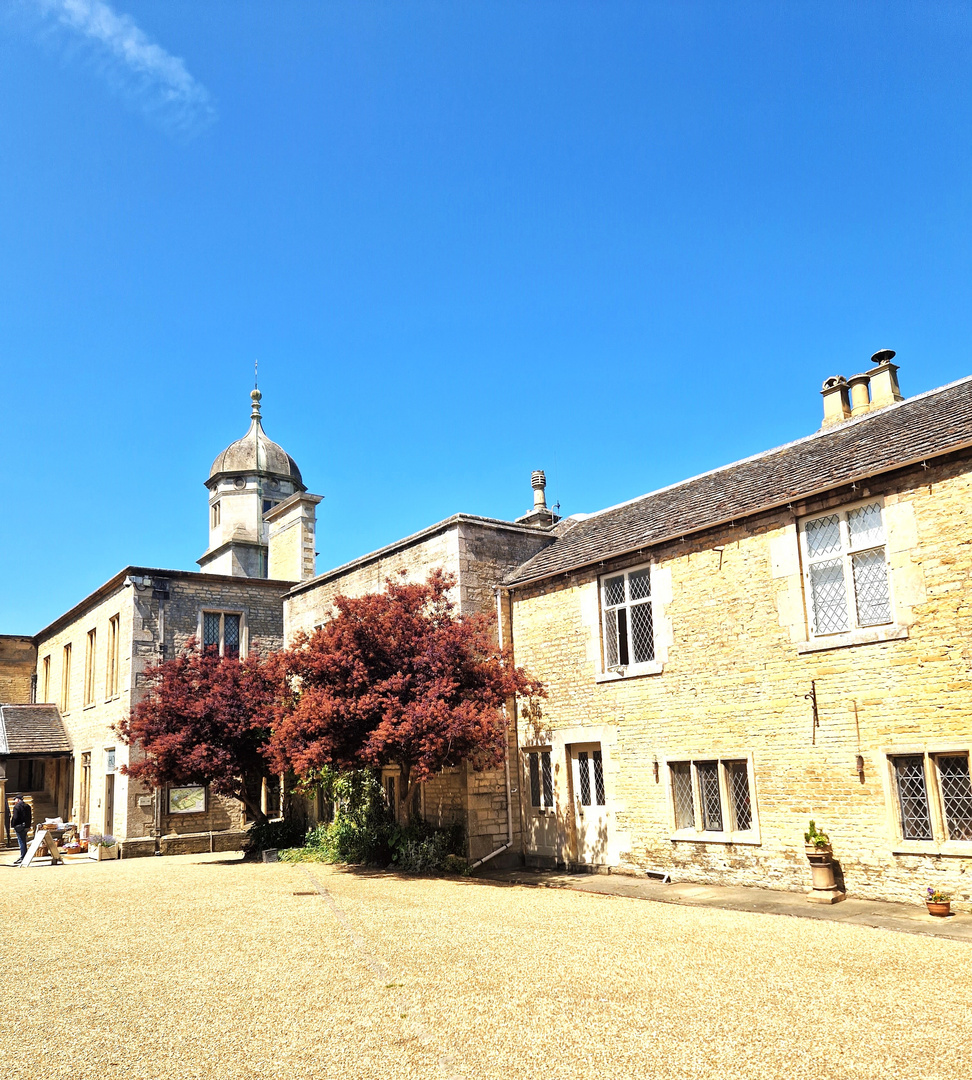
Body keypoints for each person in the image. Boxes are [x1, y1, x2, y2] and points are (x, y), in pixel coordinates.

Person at [11, 796, 31, 865]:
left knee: (21, 842)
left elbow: (15, 817)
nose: (14, 801)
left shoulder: (17, 807)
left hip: (19, 826)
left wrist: (13, 824)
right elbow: (29, 817)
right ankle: (24, 855)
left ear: (18, 799)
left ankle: (23, 856)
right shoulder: (27, 806)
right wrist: (28, 826)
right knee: (24, 841)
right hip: (26, 826)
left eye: (15, 799)